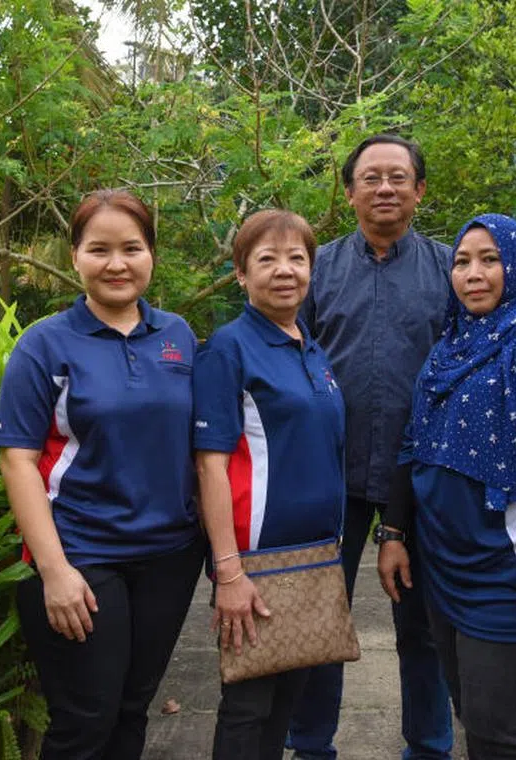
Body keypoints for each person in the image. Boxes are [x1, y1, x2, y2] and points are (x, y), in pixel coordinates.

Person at [0, 190, 204, 760]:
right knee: (86, 719)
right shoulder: (45, 344)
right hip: (83, 556)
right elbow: (16, 458)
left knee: (133, 709)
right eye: (99, 249)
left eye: (132, 248)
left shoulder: (178, 336)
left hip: (170, 555)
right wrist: (54, 571)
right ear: (75, 257)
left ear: (151, 255)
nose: (117, 263)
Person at [379, 214, 516, 759]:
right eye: (462, 261)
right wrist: (392, 530)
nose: (473, 274)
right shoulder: (451, 344)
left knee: (504, 733)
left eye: (490, 259)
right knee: (475, 720)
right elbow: (414, 445)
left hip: (515, 567)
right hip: (445, 564)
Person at [290, 134, 454, 760]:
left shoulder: (449, 268)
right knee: (321, 617)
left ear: (419, 190)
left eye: (398, 177)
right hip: (332, 472)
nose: (385, 189)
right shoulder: (317, 268)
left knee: (423, 626)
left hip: (422, 474)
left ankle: (430, 746)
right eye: (370, 178)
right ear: (349, 190)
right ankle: (310, 745)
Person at [192, 209, 346, 760]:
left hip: (314, 557)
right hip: (257, 561)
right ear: (240, 273)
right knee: (249, 705)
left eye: (297, 258)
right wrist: (228, 570)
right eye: (267, 259)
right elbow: (210, 466)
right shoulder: (228, 349)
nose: (285, 271)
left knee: (287, 699)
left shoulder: (311, 346)